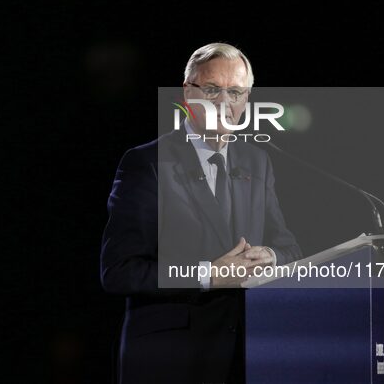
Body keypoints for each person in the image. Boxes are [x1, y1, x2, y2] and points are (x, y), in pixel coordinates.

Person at [100, 43, 302, 383]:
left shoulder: (257, 162)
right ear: (187, 91)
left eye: (235, 92)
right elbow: (119, 271)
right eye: (211, 89)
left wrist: (269, 255)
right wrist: (207, 275)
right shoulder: (147, 163)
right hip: (170, 360)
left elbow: (289, 249)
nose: (224, 103)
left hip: (246, 357)